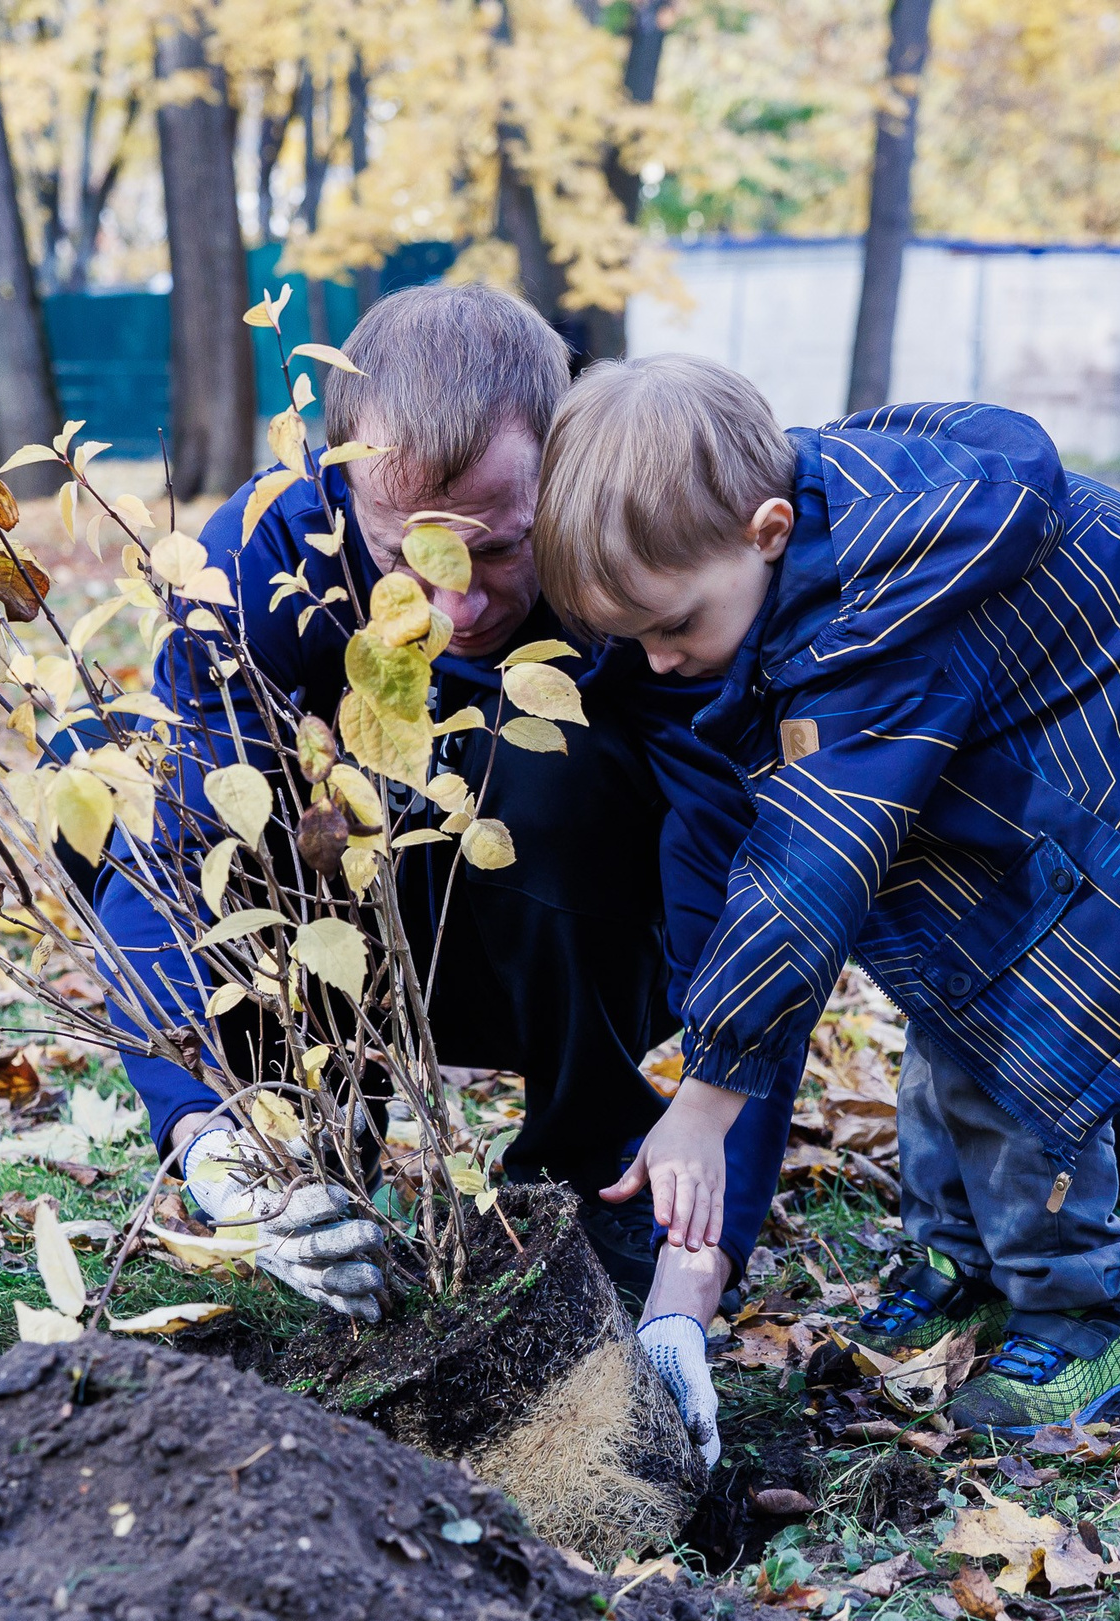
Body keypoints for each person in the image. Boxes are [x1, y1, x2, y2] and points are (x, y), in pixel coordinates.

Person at [531, 358, 1120, 1441]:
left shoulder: (879, 623)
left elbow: (808, 876)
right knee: (951, 1001)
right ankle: (965, 1250)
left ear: (764, 530)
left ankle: (1095, 1332)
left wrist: (705, 1104)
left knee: (1019, 1057)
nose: (661, 664)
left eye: (672, 627)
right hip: (1042, 797)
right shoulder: (813, 523)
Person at [94, 287, 781, 1452]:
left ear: (558, 473)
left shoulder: (642, 553)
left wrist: (689, 1278)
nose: (457, 605)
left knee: (547, 763)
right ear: (342, 482)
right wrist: (212, 1140)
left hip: (588, 924)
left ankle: (587, 1178)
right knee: (155, 787)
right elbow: (166, 862)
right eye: (406, 553)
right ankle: (309, 1160)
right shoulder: (266, 557)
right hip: (367, 931)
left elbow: (769, 911)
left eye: (502, 549)